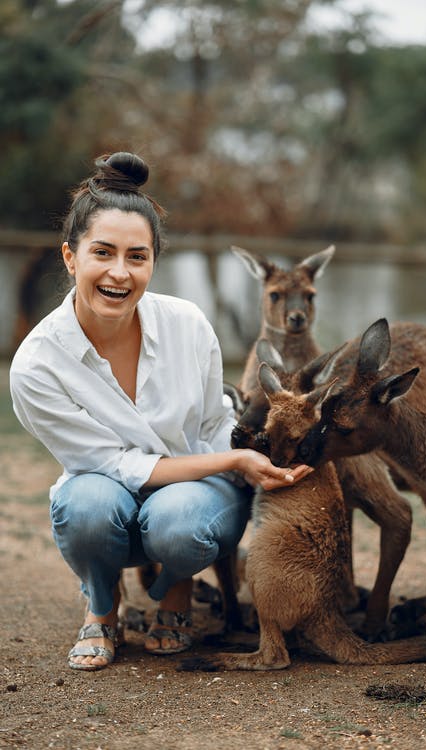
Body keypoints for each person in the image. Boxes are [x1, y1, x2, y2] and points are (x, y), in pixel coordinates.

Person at [9, 151, 313, 672]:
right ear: (69, 256)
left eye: (138, 256)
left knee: (179, 521)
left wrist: (256, 457)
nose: (119, 274)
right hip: (108, 499)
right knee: (84, 505)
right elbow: (113, 465)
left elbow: (215, 425)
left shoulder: (187, 324)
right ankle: (103, 607)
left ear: (154, 261)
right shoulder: (37, 365)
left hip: (193, 497)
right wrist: (231, 462)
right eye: (102, 252)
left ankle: (175, 591)